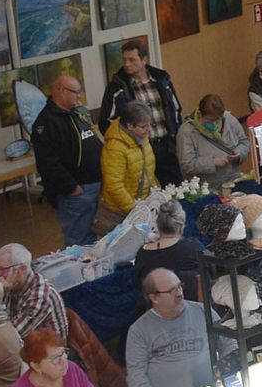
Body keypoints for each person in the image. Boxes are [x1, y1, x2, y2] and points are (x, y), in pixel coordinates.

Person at [127, 268, 225, 387]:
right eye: (171, 290)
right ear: (154, 297)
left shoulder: (203, 311)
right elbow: (136, 376)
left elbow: (229, 346)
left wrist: (225, 381)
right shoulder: (139, 330)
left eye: (179, 286)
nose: (179, 293)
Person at [30, 69, 104, 246]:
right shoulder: (47, 122)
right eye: (76, 92)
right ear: (60, 90)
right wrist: (72, 188)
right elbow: (48, 163)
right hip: (76, 193)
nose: (79, 96)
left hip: (93, 185)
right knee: (79, 242)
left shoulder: (75, 114)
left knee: (94, 239)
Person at [99, 39, 183, 185]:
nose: (126, 64)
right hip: (139, 150)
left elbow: (175, 110)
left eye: (132, 60)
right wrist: (127, 145)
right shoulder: (117, 87)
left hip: (167, 145)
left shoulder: (162, 80)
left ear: (144, 60)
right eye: (124, 60)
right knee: (146, 193)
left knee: (176, 189)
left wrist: (175, 137)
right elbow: (105, 123)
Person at [98, 101, 158, 236]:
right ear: (130, 126)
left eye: (150, 125)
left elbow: (149, 173)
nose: (148, 130)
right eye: (143, 127)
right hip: (119, 213)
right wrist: (135, 210)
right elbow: (114, 186)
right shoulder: (115, 147)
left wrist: (154, 197)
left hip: (141, 206)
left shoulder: (142, 137)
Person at [0, 243, 68, 340]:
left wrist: (0, 294)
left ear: (22, 269)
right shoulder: (14, 284)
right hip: (26, 344)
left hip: (47, 351)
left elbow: (11, 336)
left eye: (3, 269)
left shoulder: (41, 296)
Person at [133, 201, 205, 301]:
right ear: (181, 227)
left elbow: (138, 283)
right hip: (194, 308)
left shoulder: (143, 253)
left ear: (158, 226)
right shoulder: (193, 248)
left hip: (157, 307)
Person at [176, 95, 250, 188]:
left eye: (218, 120)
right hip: (206, 187)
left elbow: (244, 142)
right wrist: (212, 163)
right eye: (211, 120)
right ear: (200, 114)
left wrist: (239, 154)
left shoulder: (228, 118)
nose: (214, 123)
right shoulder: (186, 131)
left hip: (234, 179)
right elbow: (187, 164)